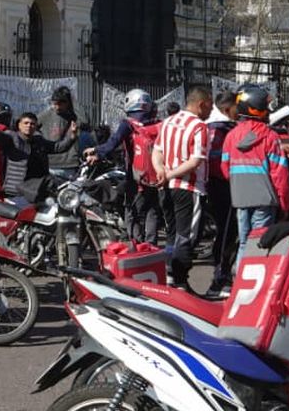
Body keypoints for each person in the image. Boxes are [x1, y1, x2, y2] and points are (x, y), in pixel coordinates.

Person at [221, 83, 289, 278]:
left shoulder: (231, 136)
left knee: (244, 241)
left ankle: (239, 279)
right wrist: (285, 204)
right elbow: (280, 175)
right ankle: (254, 283)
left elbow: (225, 169)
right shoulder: (271, 137)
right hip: (265, 199)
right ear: (257, 109)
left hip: (241, 198)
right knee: (260, 241)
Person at [154, 87, 213, 292]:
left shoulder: (167, 122)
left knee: (172, 233)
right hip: (189, 187)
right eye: (210, 106)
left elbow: (157, 151)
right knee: (187, 235)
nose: (210, 110)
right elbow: (195, 160)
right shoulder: (199, 126)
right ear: (201, 104)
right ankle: (180, 280)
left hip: (166, 187)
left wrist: (161, 171)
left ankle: (170, 275)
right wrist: (170, 174)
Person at [86, 89, 163, 245]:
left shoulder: (128, 124)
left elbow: (113, 143)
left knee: (131, 211)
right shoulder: (159, 124)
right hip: (158, 176)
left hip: (136, 178)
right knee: (152, 211)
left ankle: (136, 243)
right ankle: (151, 244)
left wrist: (96, 152)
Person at [0, 103, 75, 202]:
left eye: (32, 124)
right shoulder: (12, 138)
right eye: (26, 123)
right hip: (17, 192)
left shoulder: (39, 141)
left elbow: (58, 147)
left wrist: (71, 137)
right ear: (19, 125)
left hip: (38, 190)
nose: (29, 126)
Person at [206, 92, 239, 292]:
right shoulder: (220, 130)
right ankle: (220, 277)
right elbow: (217, 161)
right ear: (227, 109)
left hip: (217, 184)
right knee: (226, 232)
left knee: (226, 231)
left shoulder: (213, 126)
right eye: (237, 107)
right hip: (222, 185)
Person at [38, 86, 81, 179]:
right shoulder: (46, 115)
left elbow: (85, 122)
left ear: (67, 103)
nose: (57, 107)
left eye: (60, 103)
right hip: (51, 164)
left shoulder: (75, 116)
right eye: (55, 103)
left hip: (69, 164)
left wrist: (74, 103)